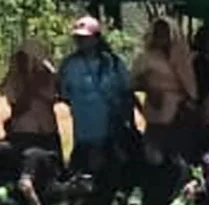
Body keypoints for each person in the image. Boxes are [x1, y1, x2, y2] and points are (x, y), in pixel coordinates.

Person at [58, 18, 136, 157]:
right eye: (78, 38)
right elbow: (64, 94)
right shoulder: (68, 65)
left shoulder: (114, 63)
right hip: (83, 133)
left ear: (96, 38)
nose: (80, 41)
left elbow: (127, 93)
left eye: (85, 37)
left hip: (112, 133)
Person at [131, 19, 197, 152]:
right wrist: (149, 88)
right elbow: (133, 83)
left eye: (165, 33)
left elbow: (190, 84)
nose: (161, 37)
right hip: (155, 108)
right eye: (158, 33)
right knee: (156, 150)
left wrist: (190, 102)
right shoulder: (145, 57)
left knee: (178, 150)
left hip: (180, 111)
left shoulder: (182, 57)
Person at [3, 36, 61, 156]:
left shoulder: (47, 78)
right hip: (25, 132)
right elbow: (16, 104)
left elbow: (56, 94)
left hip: (44, 132)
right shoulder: (15, 79)